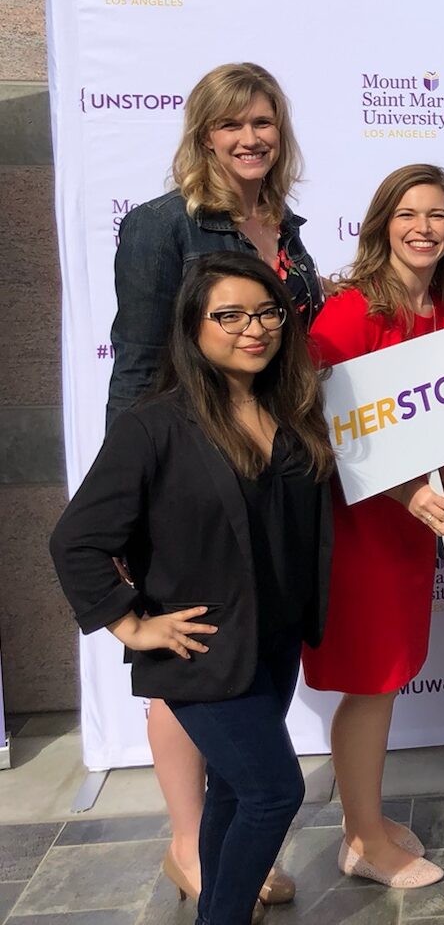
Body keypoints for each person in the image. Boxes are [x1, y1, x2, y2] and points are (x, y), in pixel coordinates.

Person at [53, 253, 334, 925]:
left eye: (267, 312)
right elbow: (76, 539)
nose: (254, 328)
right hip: (201, 649)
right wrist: (132, 624)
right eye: (229, 315)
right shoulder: (154, 425)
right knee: (273, 792)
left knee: (237, 791)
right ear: (194, 327)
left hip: (273, 640)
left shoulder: (293, 409)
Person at [104, 62, 324, 906]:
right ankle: (193, 850)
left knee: (254, 661)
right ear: (202, 136)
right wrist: (127, 511)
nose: (250, 138)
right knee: (194, 653)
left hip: (273, 469)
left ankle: (226, 851)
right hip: (190, 480)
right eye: (231, 125)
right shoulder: (165, 226)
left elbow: (290, 346)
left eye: (264, 122)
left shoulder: (283, 228)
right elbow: (134, 366)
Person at [303, 164, 444, 888]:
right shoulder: (348, 312)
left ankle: (361, 822)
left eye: (438, 215)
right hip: (359, 529)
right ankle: (365, 841)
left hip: (411, 528)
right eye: (409, 213)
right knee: (371, 681)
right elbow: (322, 429)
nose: (424, 228)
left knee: (387, 678)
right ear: (382, 223)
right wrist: (410, 498)